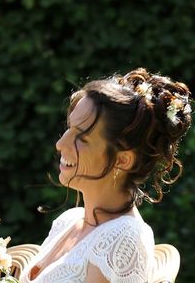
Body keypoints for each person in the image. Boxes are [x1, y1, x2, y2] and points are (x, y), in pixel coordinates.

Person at [20, 68, 191, 283]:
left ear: (122, 160)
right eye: (69, 128)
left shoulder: (123, 239)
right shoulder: (68, 221)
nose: (60, 144)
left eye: (81, 138)